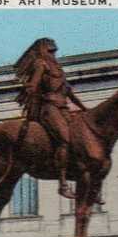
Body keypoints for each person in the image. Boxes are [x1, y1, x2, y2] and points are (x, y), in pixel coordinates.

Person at [15, 38, 88, 200]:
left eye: (54, 51)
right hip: (49, 109)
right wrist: (31, 90)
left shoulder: (58, 69)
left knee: (80, 138)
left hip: (63, 108)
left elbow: (69, 92)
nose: (53, 54)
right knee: (64, 138)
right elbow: (33, 86)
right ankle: (62, 184)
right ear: (42, 51)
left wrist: (83, 108)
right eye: (50, 51)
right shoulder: (41, 65)